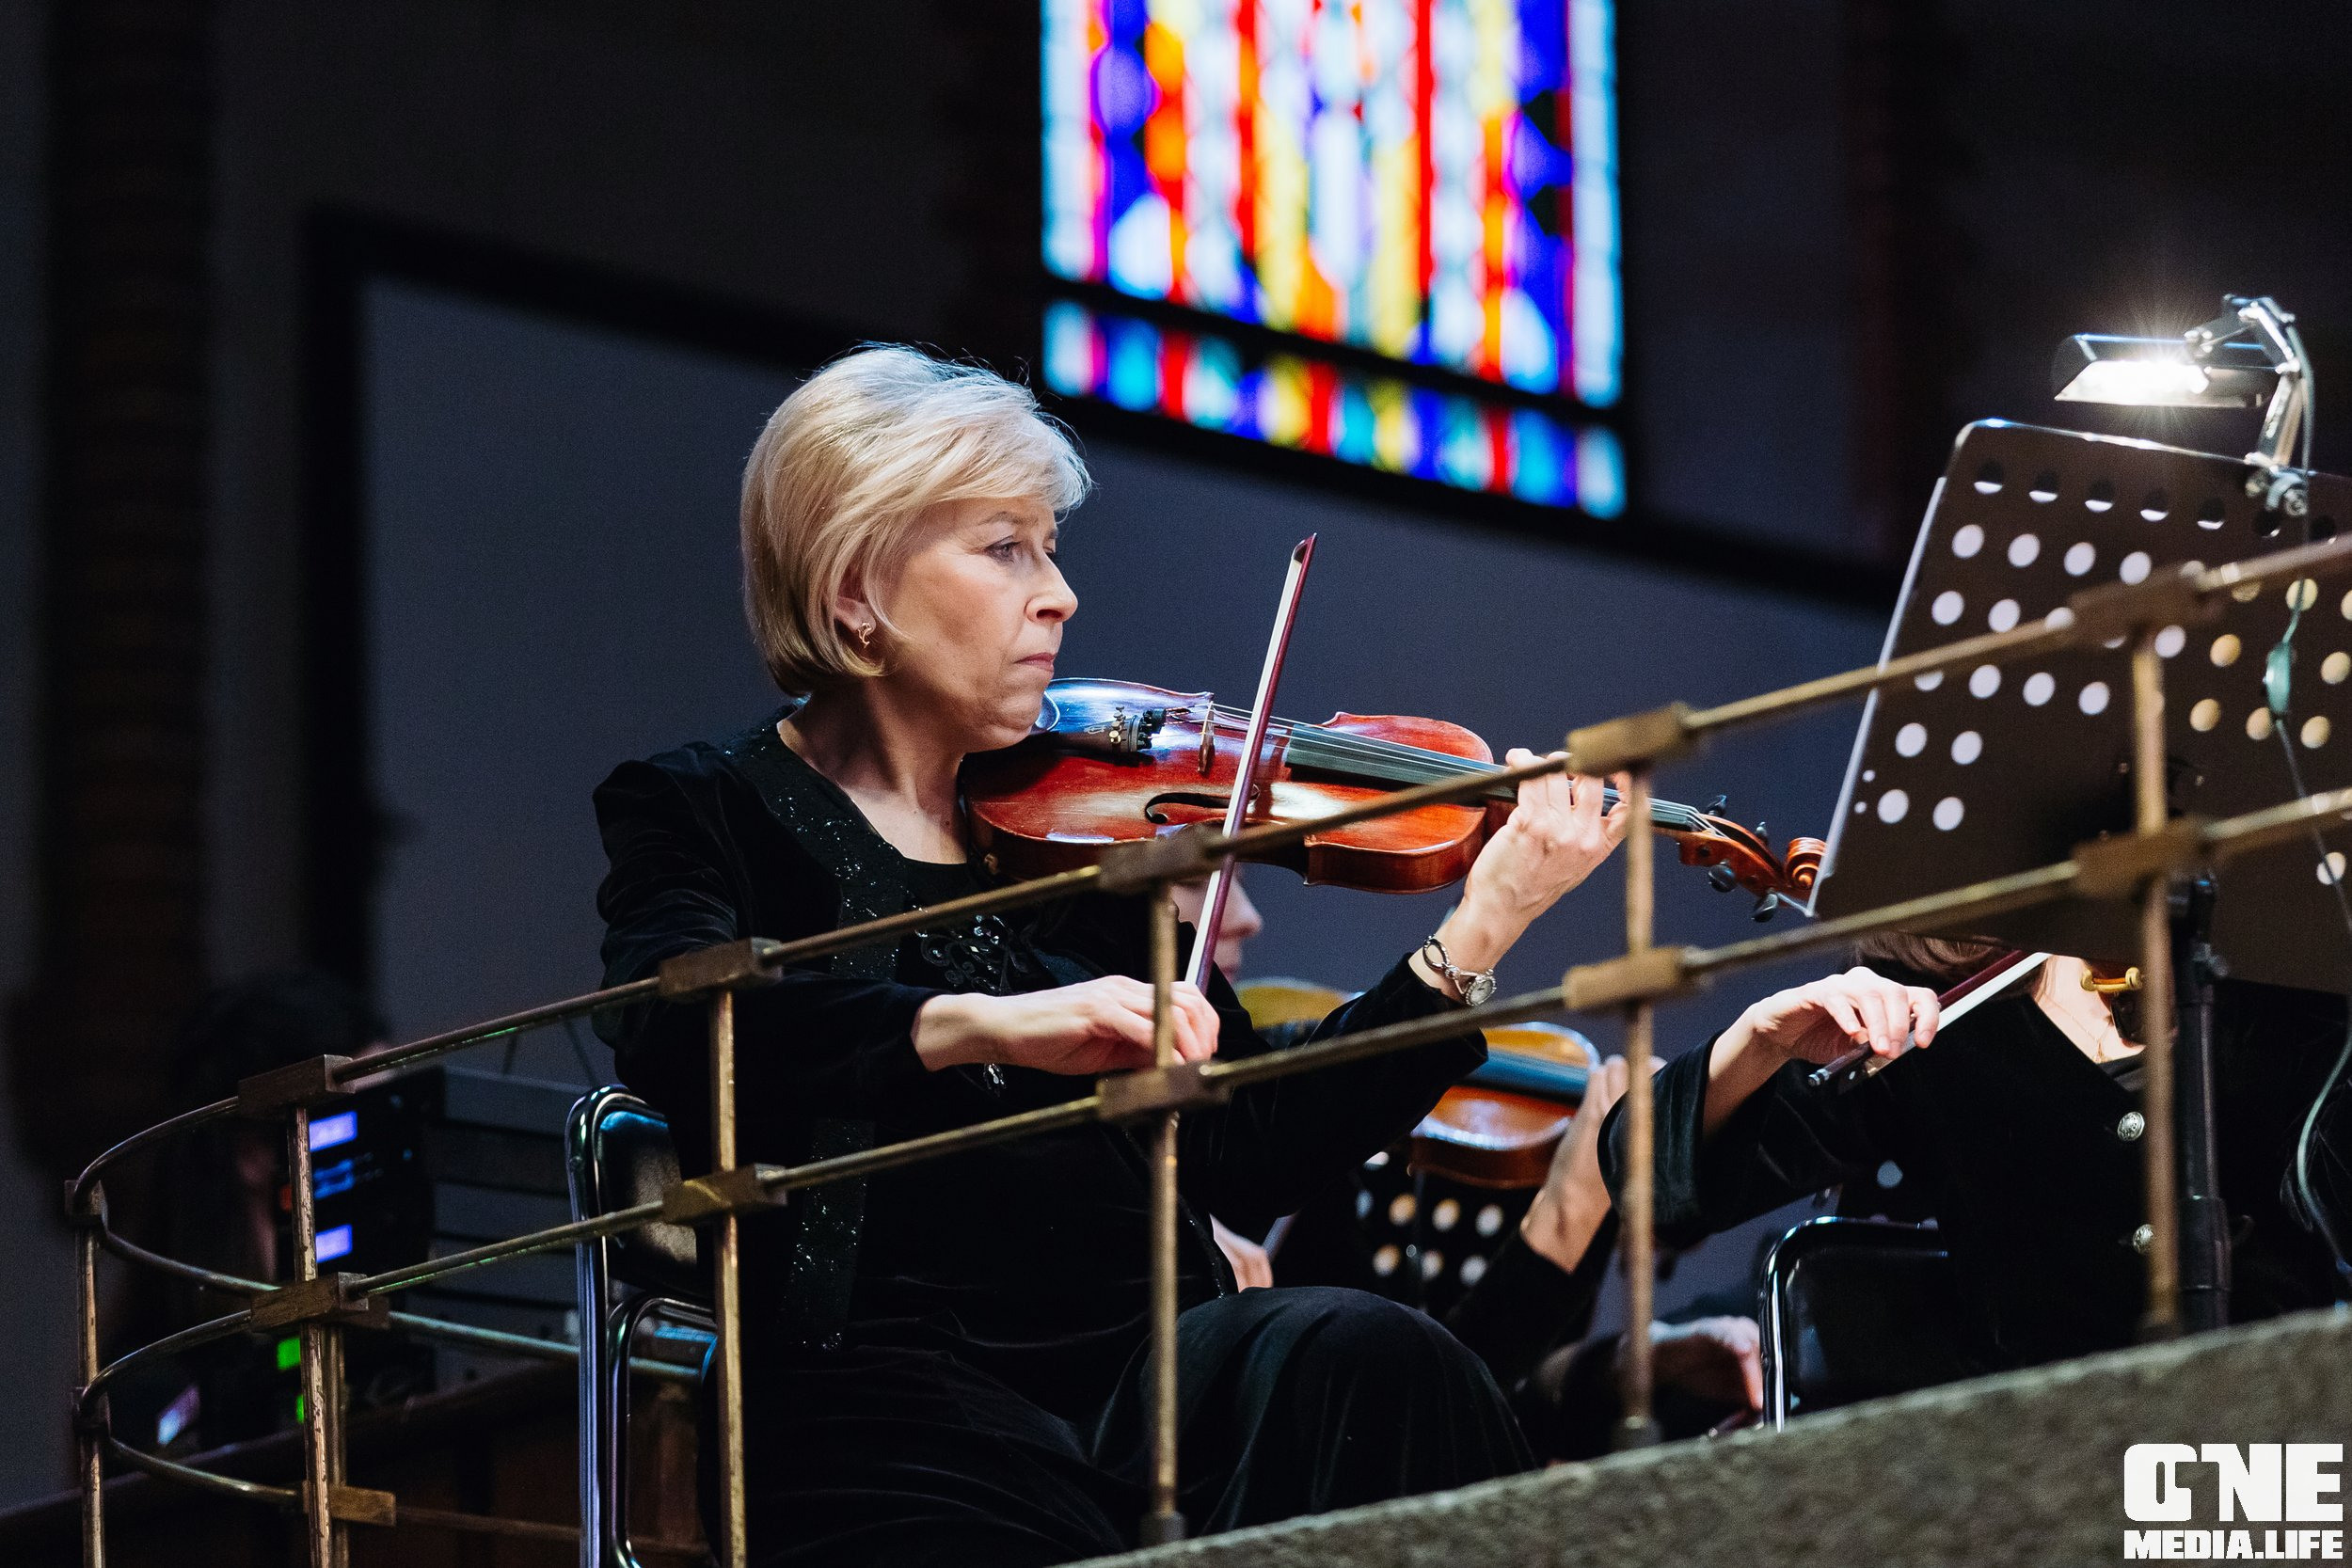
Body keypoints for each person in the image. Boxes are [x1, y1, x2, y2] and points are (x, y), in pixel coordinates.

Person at [591, 345, 1631, 1567]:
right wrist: (981, 1022)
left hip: (1141, 1376)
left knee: (1372, 1351)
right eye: (1006, 548)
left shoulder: (1086, 832)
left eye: (1051, 544)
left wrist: (1480, 927)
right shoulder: (704, 805)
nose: (1060, 593)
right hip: (888, 1391)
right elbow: (678, 1025)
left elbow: (1247, 1143)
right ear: (857, 586)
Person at [1601, 934, 2352, 1377]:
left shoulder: (2292, 965)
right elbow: (1653, 1183)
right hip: (2045, 1466)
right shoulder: (1930, 1013)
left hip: (2290, 1439)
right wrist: (1760, 1039)